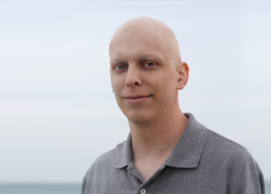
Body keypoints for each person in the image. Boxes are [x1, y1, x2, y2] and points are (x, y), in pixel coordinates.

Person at [81, 17, 265, 194]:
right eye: (120, 67)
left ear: (181, 75)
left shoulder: (233, 167)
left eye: (149, 64)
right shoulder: (98, 174)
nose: (131, 79)